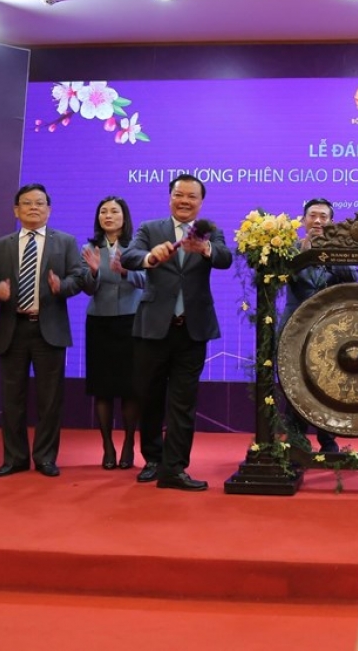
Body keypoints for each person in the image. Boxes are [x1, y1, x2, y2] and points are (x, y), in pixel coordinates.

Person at [121, 174, 231, 492]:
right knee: (150, 397)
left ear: (200, 201)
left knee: (184, 401)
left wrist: (207, 248)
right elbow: (129, 256)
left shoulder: (209, 231)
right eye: (179, 195)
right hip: (153, 328)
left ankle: (175, 468)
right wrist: (150, 257)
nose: (184, 201)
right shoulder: (149, 228)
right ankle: (153, 459)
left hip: (192, 330)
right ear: (170, 197)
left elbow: (226, 258)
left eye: (191, 196)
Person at [0, 184, 83, 478]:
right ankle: (14, 458)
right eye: (27, 203)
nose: (34, 208)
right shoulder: (2, 245)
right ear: (16, 210)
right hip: (13, 329)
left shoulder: (65, 242)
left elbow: (78, 278)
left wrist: (61, 286)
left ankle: (46, 457)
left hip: (48, 328)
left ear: (49, 210)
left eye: (40, 203)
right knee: (12, 398)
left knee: (49, 400)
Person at [277, 198, 358, 453]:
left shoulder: (342, 248)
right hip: (296, 327)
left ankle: (328, 440)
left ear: (331, 222)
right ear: (303, 220)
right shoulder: (290, 249)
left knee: (329, 383)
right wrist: (305, 253)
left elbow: (353, 276)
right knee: (296, 383)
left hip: (331, 330)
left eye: (324, 216)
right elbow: (289, 277)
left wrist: (332, 253)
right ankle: (296, 438)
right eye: (313, 216)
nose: (318, 221)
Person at [79, 196, 146, 470]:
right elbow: (85, 287)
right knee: (103, 389)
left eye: (114, 211)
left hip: (131, 322)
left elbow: (146, 280)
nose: (108, 216)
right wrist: (93, 273)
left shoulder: (136, 248)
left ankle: (130, 443)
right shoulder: (89, 248)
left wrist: (125, 272)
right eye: (103, 211)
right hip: (100, 323)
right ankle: (107, 446)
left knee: (130, 388)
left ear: (124, 217)